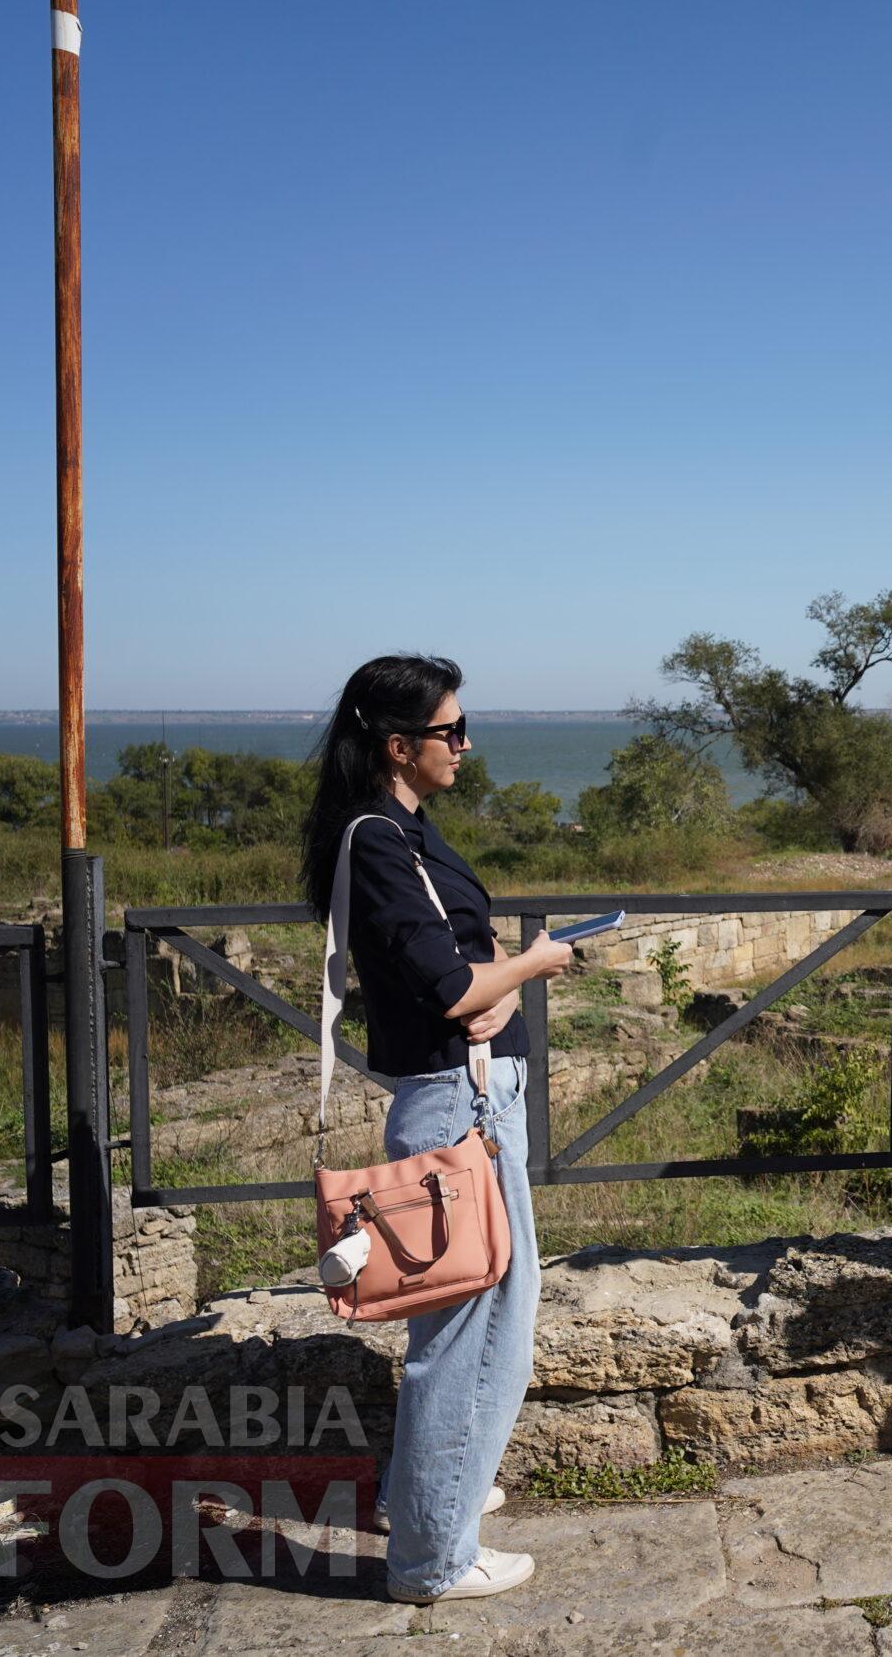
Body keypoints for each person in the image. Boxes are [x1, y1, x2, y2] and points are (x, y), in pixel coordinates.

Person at [299, 655, 572, 1604]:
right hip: (456, 1103)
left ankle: (430, 1495)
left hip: (474, 1092)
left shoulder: (407, 829)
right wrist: (535, 965)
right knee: (473, 1328)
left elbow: (461, 951)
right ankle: (430, 1557)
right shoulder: (378, 838)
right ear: (398, 745)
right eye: (453, 731)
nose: (467, 744)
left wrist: (497, 971)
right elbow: (451, 984)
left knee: (489, 1312)